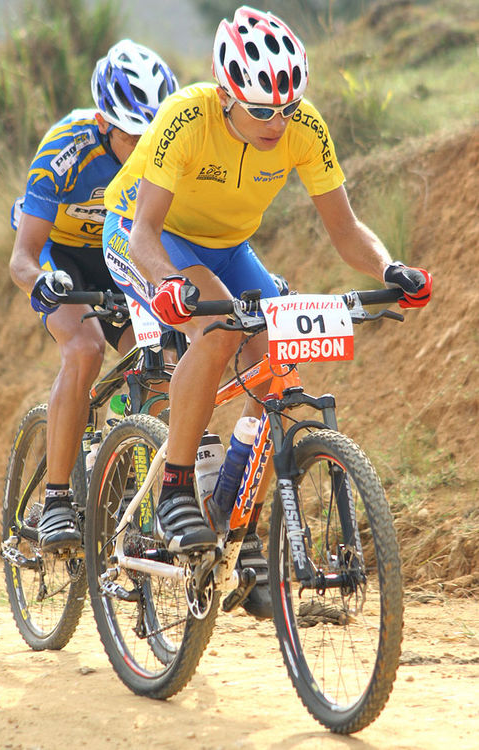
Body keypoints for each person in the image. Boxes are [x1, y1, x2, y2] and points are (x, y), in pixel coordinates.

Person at [102, 6, 432, 619]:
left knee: (279, 352)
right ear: (227, 95)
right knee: (221, 328)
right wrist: (170, 284)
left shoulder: (302, 125)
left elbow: (346, 228)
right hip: (145, 233)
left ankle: (239, 519)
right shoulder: (186, 117)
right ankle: (176, 485)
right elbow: (145, 229)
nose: (277, 122)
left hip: (226, 245)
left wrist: (389, 269)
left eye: (287, 107)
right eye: (260, 110)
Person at [9, 39, 178, 552]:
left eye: (152, 137)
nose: (143, 149)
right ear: (104, 122)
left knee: (161, 358)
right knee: (83, 350)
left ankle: (130, 463)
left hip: (118, 256)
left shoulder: (164, 151)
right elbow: (22, 256)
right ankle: (58, 497)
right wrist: (43, 282)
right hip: (60, 257)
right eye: (132, 137)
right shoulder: (67, 148)